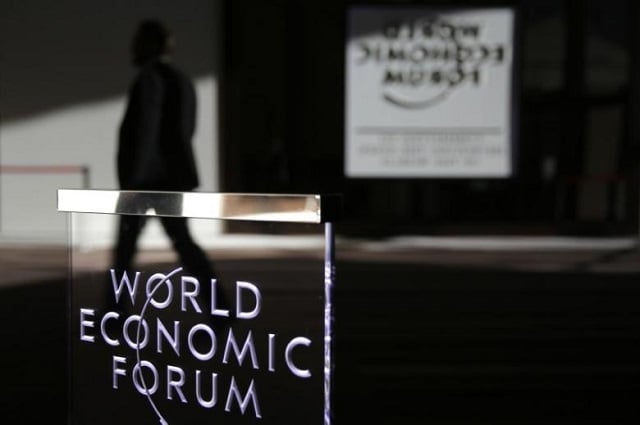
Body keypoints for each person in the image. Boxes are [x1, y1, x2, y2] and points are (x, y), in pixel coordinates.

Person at [112, 20, 215, 284]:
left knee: (125, 250)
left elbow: (145, 132)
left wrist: (133, 181)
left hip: (146, 180)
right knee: (183, 243)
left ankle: (116, 308)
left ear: (148, 44)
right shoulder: (181, 79)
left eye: (137, 41)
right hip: (171, 178)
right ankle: (221, 308)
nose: (131, 47)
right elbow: (185, 130)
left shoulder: (149, 79)